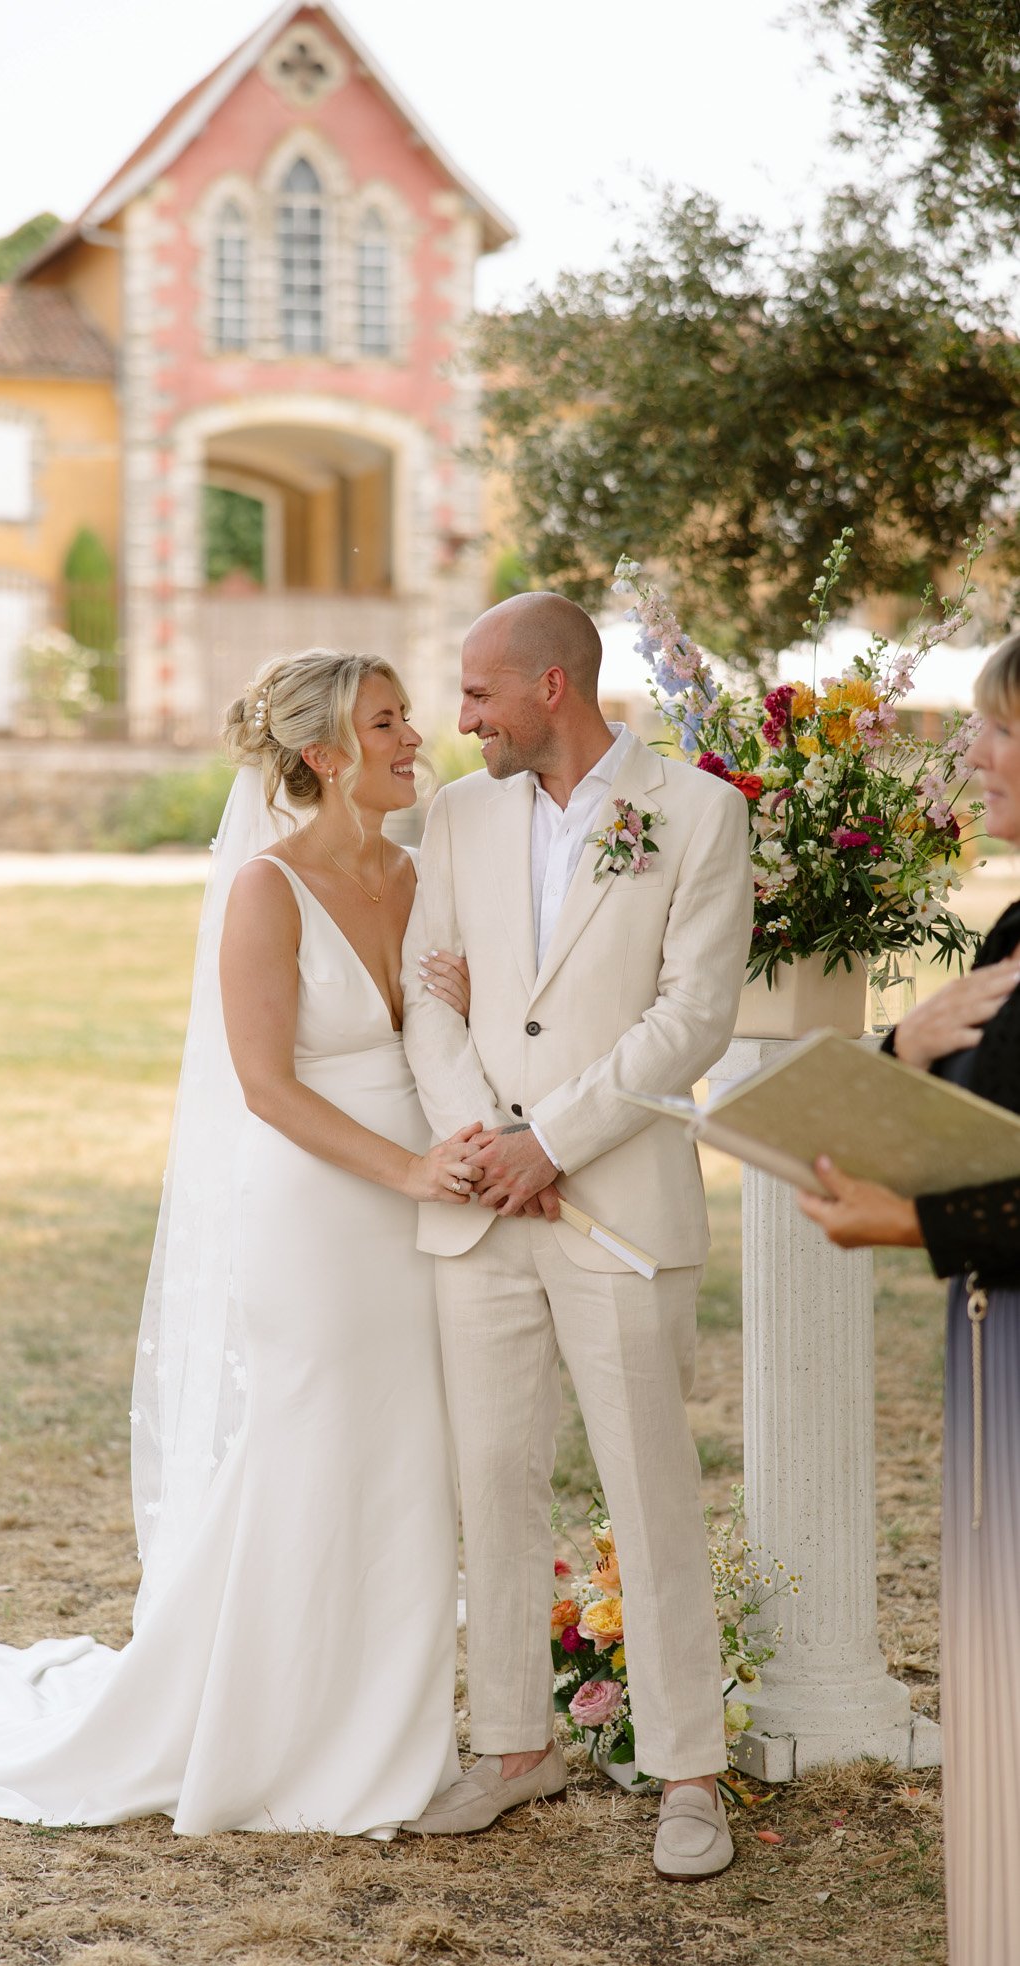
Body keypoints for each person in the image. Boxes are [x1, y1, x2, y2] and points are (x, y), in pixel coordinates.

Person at [0, 647, 482, 1837]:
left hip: (418, 1207)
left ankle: (386, 1734)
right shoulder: (266, 891)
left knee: (405, 1459)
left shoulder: (421, 872)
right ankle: (262, 1735)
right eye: (387, 722)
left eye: (408, 718)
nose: (414, 737)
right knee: (312, 1454)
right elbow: (266, 1086)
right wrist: (411, 1169)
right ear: (324, 752)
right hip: (321, 1211)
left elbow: (432, 1032)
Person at [401, 591, 752, 1880]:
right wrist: (491, 1143)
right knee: (491, 1478)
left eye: (479, 693)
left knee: (648, 1490)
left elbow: (692, 1015)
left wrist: (555, 1140)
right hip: (483, 1212)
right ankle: (511, 1742)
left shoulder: (700, 813)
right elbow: (424, 996)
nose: (460, 718)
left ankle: (686, 1770)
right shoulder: (453, 814)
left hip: (620, 1208)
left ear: (552, 686)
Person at [797, 636, 1020, 1966]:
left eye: (996, 730)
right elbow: (975, 1127)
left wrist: (920, 1225)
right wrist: (903, 1049)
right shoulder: (1010, 934)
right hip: (993, 1358)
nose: (975, 754)